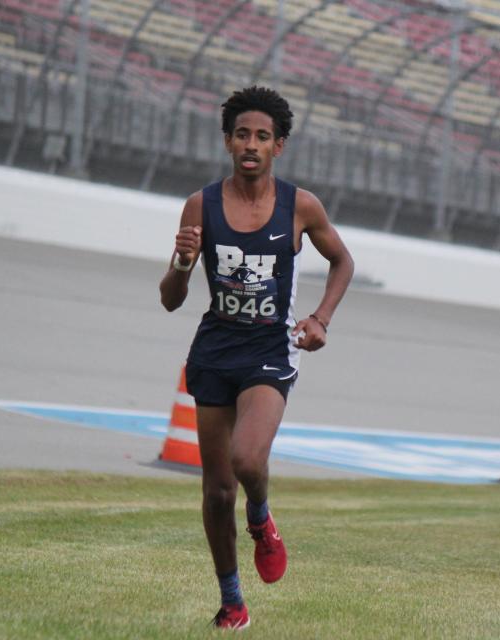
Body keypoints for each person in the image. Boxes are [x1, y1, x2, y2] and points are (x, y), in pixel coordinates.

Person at [159, 86, 354, 630]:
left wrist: (319, 320)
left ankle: (263, 520)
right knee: (217, 491)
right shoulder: (202, 205)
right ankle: (232, 600)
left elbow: (343, 262)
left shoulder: (301, 206)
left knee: (248, 461)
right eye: (241, 134)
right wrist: (181, 261)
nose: (251, 144)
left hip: (269, 349)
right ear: (227, 141)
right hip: (215, 350)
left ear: (279, 147)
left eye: (262, 137)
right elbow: (171, 298)